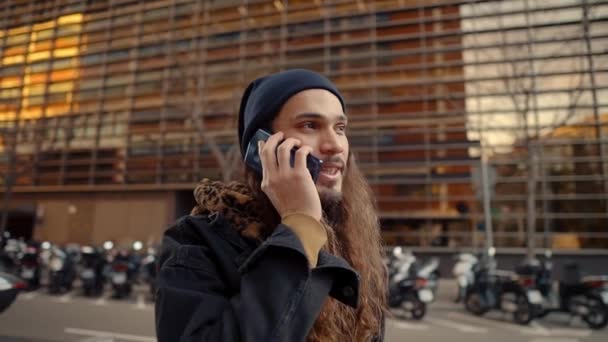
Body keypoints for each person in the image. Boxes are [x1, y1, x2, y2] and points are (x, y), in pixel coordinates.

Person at [155, 69, 388, 341]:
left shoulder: (357, 245)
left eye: (340, 128)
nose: (335, 145)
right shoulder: (196, 242)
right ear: (261, 147)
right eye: (310, 125)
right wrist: (301, 225)